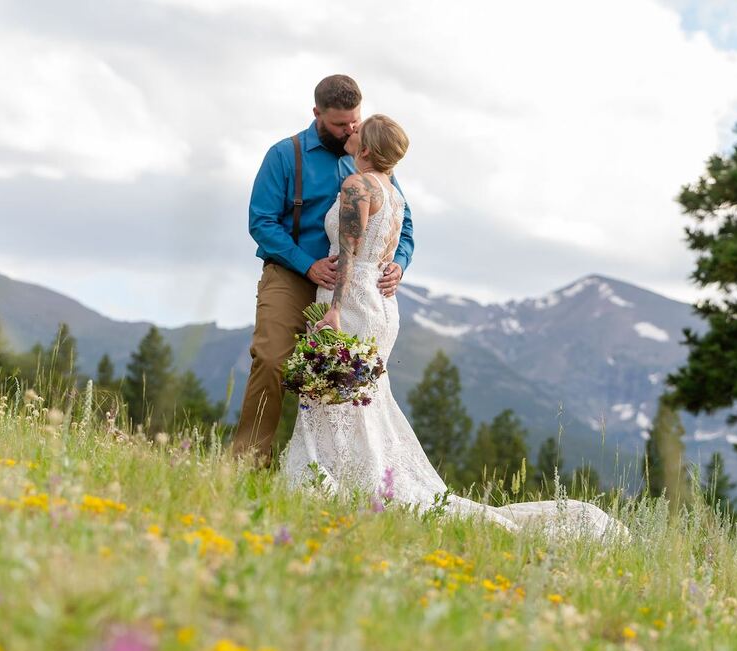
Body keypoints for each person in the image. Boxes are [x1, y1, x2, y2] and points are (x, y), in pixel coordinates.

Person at [282, 115, 628, 542]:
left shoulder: (358, 186)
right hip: (382, 304)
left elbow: (350, 252)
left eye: (357, 131)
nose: (349, 132)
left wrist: (333, 309)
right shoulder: (394, 196)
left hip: (352, 299)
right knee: (362, 400)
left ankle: (340, 482)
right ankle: (361, 478)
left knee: (337, 395)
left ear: (367, 149)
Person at [232, 75, 413, 465]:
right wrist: (306, 264)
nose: (350, 130)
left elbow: (403, 221)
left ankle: (336, 471)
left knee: (347, 381)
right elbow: (261, 221)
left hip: (350, 291)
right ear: (317, 114)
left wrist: (400, 262)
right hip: (292, 275)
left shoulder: (369, 156)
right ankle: (249, 462)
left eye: (355, 122)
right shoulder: (284, 155)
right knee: (271, 359)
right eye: (340, 124)